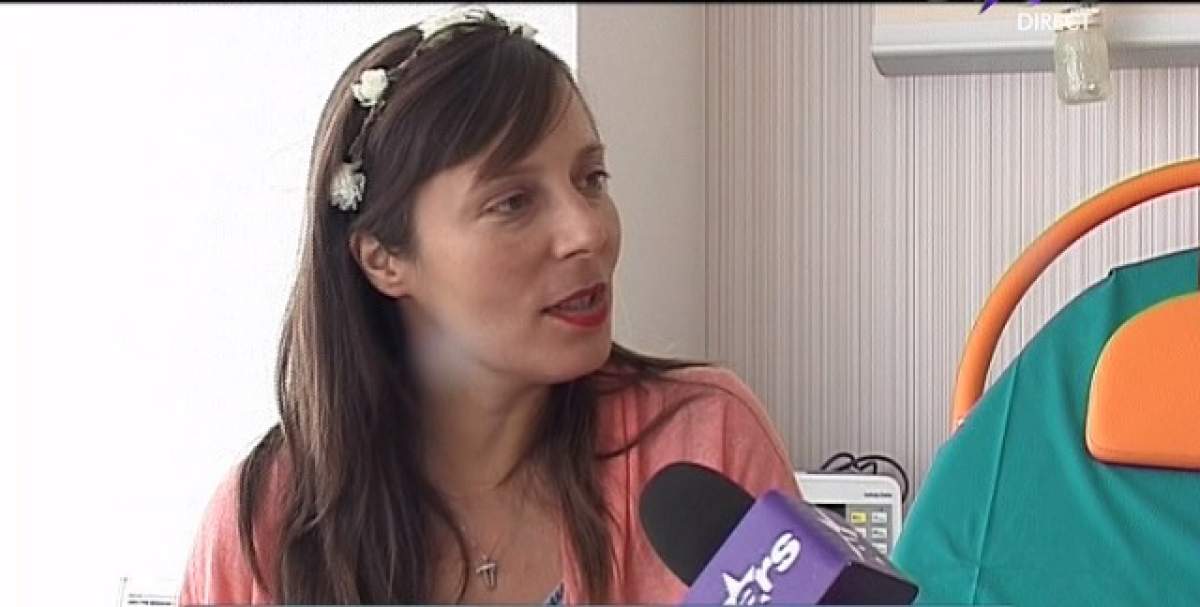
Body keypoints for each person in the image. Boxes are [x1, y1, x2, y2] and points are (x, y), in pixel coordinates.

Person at [177, 5, 802, 605]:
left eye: (591, 180)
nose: (587, 231)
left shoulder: (703, 446)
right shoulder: (265, 522)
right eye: (512, 202)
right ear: (383, 258)